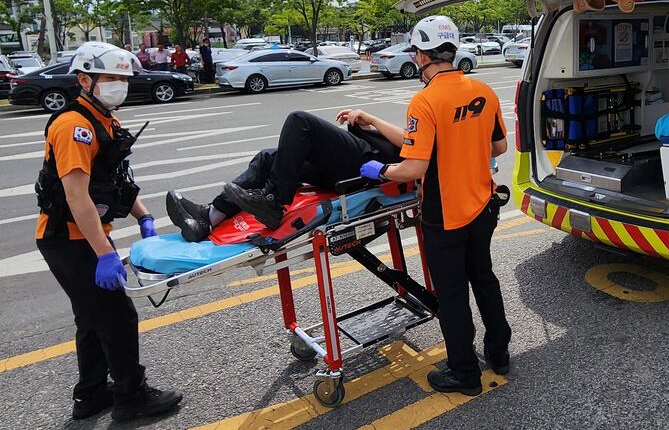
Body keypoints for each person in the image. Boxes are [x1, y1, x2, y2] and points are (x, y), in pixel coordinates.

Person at [356, 16, 512, 396]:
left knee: (453, 292)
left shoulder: (425, 100)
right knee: (484, 278)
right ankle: (499, 352)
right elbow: (497, 147)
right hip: (484, 205)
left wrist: (380, 170)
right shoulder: (482, 92)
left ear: (423, 54)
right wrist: (374, 121)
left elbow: (414, 164)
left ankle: (464, 374)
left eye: (415, 53)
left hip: (445, 214)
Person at [34, 41, 183, 422]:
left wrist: (145, 217)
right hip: (67, 238)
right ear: (85, 80)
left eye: (124, 78)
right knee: (116, 316)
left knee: (91, 317)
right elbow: (77, 197)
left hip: (84, 234)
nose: (120, 85)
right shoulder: (73, 126)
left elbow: (115, 180)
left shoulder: (104, 119)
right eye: (111, 78)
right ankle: (131, 397)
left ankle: (91, 394)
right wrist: (104, 254)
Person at [167, 111, 402, 241]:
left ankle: (276, 202)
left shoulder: (431, 98)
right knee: (268, 157)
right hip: (365, 156)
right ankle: (209, 218)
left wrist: (372, 120)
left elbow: (411, 143)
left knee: (299, 121)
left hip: (373, 165)